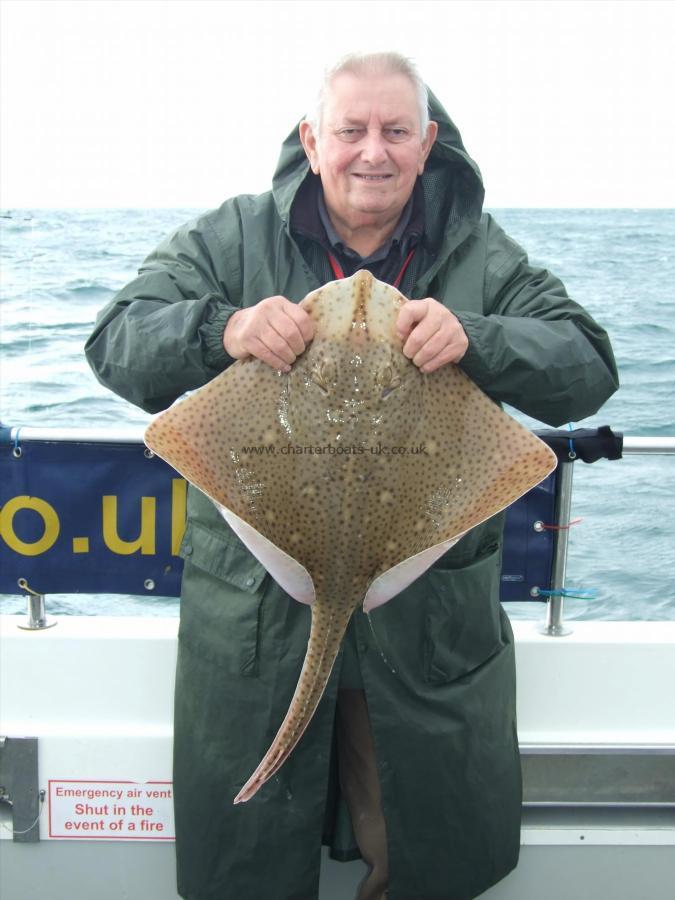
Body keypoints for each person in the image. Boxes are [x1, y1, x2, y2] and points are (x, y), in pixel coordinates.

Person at [86, 52, 618, 900]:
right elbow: (117, 341)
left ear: (427, 143)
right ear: (312, 139)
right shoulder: (232, 238)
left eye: (396, 131)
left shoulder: (478, 252)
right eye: (351, 130)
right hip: (259, 616)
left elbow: (586, 361)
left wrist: (477, 338)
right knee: (249, 863)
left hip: (423, 609)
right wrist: (222, 331)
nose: (373, 150)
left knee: (416, 853)